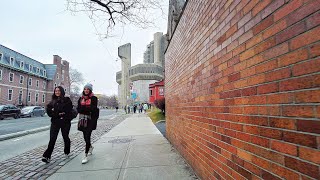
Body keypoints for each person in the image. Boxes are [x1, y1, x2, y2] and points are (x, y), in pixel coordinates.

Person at [42, 86, 73, 163]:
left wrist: (57, 112)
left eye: (58, 91)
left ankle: (67, 151)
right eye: (56, 91)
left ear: (62, 91)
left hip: (65, 122)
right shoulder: (52, 101)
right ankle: (47, 156)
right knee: (52, 139)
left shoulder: (67, 100)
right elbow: (49, 111)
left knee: (65, 137)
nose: (57, 92)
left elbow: (67, 111)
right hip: (55, 122)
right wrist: (58, 114)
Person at [77, 83, 99, 164]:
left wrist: (84, 109)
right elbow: (78, 109)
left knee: (87, 136)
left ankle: (85, 156)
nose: (86, 90)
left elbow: (93, 109)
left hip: (90, 121)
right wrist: (87, 109)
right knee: (85, 137)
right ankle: (90, 147)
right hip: (82, 120)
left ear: (90, 90)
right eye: (85, 89)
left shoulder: (94, 98)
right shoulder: (80, 98)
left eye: (88, 89)